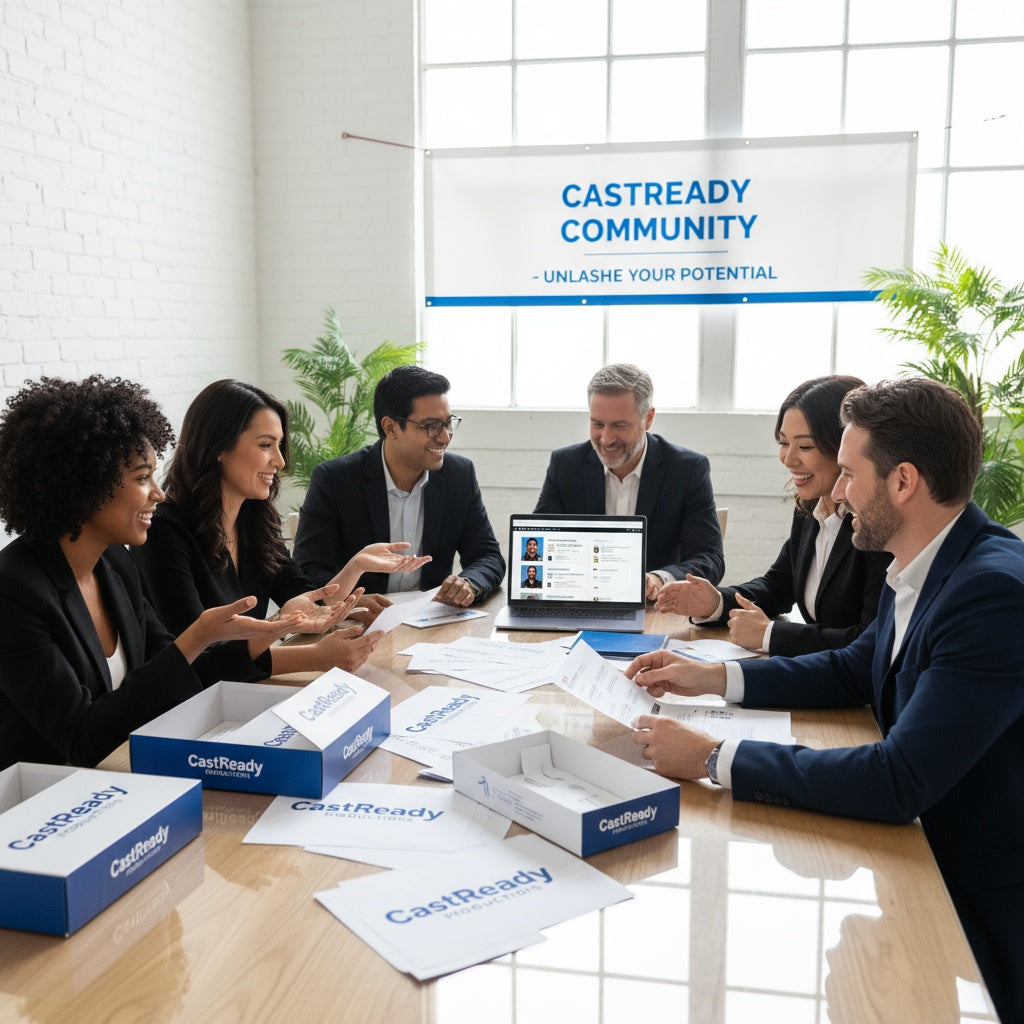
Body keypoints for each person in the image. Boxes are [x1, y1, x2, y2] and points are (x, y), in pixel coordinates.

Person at [626, 378, 1024, 1021]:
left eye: (850, 474)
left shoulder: (992, 592)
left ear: (902, 482)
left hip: (974, 896)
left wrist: (711, 758)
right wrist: (710, 678)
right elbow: (854, 667)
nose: (837, 492)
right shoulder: (923, 562)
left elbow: (899, 778)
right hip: (922, 855)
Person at [0, 375, 302, 770]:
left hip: (122, 778)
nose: (158, 493)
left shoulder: (116, 566)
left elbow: (181, 674)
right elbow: (81, 738)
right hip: (41, 807)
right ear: (87, 485)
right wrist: (195, 639)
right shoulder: (15, 591)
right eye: (143, 478)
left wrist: (252, 639)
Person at [133, 380, 431, 676]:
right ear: (219, 447)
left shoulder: (254, 520)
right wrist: (306, 650)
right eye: (265, 445)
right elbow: (196, 660)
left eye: (279, 445)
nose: (280, 460)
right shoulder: (163, 533)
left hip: (243, 690)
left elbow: (308, 598)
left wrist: (357, 564)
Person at [655, 375, 889, 655]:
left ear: (845, 446)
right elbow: (778, 586)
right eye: (782, 443)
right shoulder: (810, 507)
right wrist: (715, 602)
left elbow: (869, 640)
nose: (788, 459)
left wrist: (771, 634)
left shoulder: (875, 524)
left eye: (804, 446)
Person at [293, 365, 505, 607]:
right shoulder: (335, 480)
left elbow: (488, 556)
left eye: (448, 423)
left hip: (430, 623)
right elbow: (308, 571)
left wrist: (469, 583)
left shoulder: (459, 475)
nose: (445, 437)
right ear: (390, 428)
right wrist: (354, 601)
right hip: (357, 622)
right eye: (431, 426)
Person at [533, 363, 724, 600]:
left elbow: (709, 558)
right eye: (597, 424)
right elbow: (538, 542)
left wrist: (659, 579)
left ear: (649, 418)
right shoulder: (565, 465)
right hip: (581, 602)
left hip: (657, 609)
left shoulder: (687, 470)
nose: (606, 438)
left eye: (619, 426)